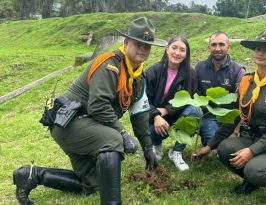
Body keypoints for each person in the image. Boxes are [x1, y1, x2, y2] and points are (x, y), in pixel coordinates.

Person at [12, 17, 167, 205]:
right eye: (138, 44)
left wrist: (148, 147)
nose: (143, 49)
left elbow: (139, 114)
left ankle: (30, 175)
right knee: (114, 140)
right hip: (70, 123)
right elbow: (98, 105)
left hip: (86, 124)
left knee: (92, 184)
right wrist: (123, 133)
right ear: (126, 43)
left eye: (147, 46)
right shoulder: (110, 65)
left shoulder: (138, 75)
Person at [193, 28, 266, 205]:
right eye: (258, 49)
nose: (260, 53)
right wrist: (210, 146)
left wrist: (251, 151)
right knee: (224, 150)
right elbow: (234, 117)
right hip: (252, 138)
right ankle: (253, 181)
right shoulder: (247, 81)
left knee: (254, 170)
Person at [145, 35, 198, 171]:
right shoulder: (152, 72)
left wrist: (166, 110)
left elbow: (188, 98)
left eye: (182, 50)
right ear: (167, 49)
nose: (177, 53)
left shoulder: (190, 74)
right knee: (149, 131)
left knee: (195, 110)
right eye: (174, 48)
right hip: (154, 118)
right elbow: (143, 100)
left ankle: (176, 152)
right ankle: (156, 146)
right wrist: (156, 115)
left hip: (178, 116)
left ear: (186, 54)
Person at [195, 31, 245, 146]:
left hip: (229, 120)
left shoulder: (239, 71)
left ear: (229, 47)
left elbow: (244, 104)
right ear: (209, 48)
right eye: (214, 45)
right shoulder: (199, 68)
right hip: (208, 117)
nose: (217, 48)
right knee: (213, 141)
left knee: (226, 146)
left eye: (221, 44)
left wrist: (236, 129)